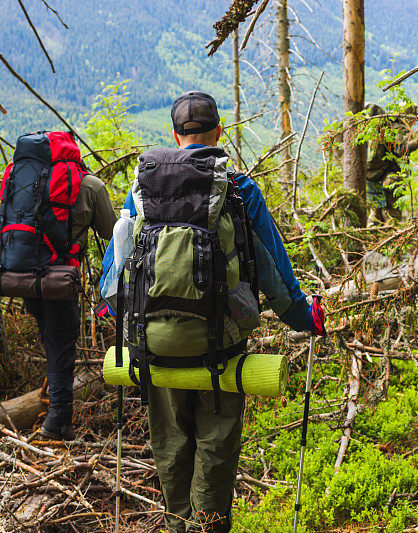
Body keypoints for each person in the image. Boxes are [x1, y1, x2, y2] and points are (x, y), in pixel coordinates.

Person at [99, 91, 325, 532]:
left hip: (153, 341)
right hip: (217, 342)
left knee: (170, 441)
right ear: (220, 132)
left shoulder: (142, 189)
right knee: (216, 442)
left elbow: (115, 269)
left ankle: (177, 523)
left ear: (174, 135)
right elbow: (274, 273)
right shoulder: (239, 190)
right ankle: (207, 526)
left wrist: (121, 315)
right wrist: (304, 317)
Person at [28, 166, 117, 441]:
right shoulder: (89, 185)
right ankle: (58, 421)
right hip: (59, 277)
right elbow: (111, 231)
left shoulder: (29, 178)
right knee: (62, 343)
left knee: (50, 338)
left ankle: (53, 408)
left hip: (22, 273)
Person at [365, 103, 418, 223]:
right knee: (393, 214)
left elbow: (405, 140)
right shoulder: (398, 126)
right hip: (390, 179)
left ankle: (372, 236)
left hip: (371, 177)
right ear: (411, 117)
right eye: (414, 118)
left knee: (375, 213)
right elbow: (402, 148)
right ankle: (391, 236)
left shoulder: (379, 126)